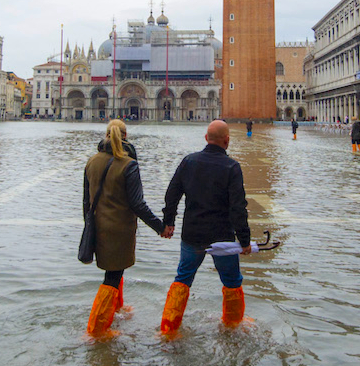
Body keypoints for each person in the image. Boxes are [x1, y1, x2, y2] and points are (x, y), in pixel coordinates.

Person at [159, 120, 251, 336]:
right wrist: (244, 241)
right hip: (222, 238)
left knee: (183, 278)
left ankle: (168, 329)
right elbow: (238, 208)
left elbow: (171, 194)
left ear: (205, 138)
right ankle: (232, 326)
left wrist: (169, 222)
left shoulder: (189, 161)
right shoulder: (232, 167)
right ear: (227, 141)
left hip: (192, 234)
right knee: (231, 282)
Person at [83, 119, 168, 338]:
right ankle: (97, 330)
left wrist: (89, 226)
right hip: (119, 228)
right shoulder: (128, 164)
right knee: (112, 276)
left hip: (98, 225)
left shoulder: (91, 161)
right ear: (126, 136)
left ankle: (116, 310)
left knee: (114, 270)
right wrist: (160, 227)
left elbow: (86, 202)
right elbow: (137, 204)